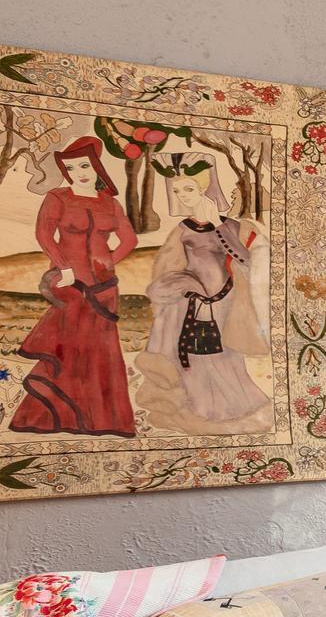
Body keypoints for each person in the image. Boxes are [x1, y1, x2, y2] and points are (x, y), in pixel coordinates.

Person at [133, 154, 274, 434]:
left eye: (188, 189)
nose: (183, 196)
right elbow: (167, 268)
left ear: (203, 190)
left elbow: (244, 260)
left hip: (225, 304)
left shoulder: (230, 226)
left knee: (224, 359)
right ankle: (199, 410)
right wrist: (188, 286)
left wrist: (218, 225)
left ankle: (230, 410)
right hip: (188, 305)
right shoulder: (182, 230)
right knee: (193, 360)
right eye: (176, 190)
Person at [8, 137, 138, 435]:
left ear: (96, 166)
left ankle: (102, 420)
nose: (78, 172)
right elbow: (44, 234)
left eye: (84, 165)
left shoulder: (110, 203)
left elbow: (129, 240)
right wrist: (63, 266)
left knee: (100, 349)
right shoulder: (58, 198)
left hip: (104, 288)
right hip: (69, 281)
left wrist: (108, 263)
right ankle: (49, 416)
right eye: (70, 167)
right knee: (66, 345)